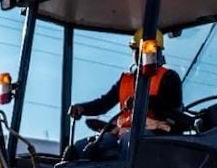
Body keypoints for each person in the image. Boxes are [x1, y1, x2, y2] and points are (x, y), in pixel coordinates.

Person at [65, 28, 183, 161]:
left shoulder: (169, 77)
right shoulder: (125, 80)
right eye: (136, 50)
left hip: (154, 137)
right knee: (81, 147)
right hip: (122, 134)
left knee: (127, 142)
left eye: (145, 50)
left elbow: (172, 109)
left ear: (157, 52)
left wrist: (142, 101)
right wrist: (82, 108)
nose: (139, 54)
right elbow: (104, 103)